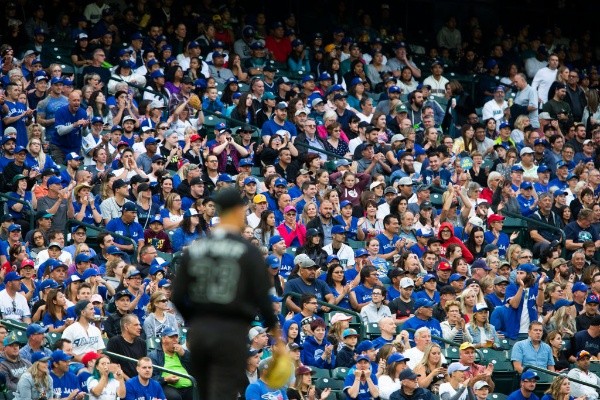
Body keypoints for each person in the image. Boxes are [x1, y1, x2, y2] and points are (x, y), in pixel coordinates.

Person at [172, 188, 280, 400]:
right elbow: (263, 299)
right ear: (238, 211)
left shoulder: (195, 248)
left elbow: (177, 296)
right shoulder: (247, 251)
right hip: (230, 332)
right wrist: (277, 335)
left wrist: (196, 320)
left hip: (200, 333)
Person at [148, 326, 194, 400]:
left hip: (189, 385)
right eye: (171, 337)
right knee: (174, 397)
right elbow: (151, 378)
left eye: (176, 337)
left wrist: (184, 354)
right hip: (168, 386)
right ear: (163, 339)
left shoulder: (181, 352)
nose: (175, 340)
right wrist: (165, 379)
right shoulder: (154, 355)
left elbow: (195, 368)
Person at [106, 314, 147, 379]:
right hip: (121, 381)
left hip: (140, 381)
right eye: (136, 325)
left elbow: (144, 365)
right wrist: (130, 381)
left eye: (139, 325)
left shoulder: (142, 343)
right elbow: (113, 367)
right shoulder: (114, 342)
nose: (140, 327)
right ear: (126, 327)